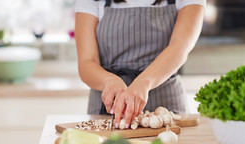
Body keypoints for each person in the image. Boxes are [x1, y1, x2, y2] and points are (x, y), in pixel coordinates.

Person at [74, 0, 206, 128]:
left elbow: (180, 47)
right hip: (106, 114)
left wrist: (144, 82)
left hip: (167, 107)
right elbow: (87, 62)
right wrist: (109, 81)